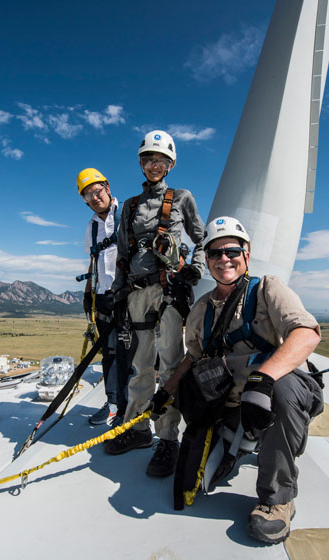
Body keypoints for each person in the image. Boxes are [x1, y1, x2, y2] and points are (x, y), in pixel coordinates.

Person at [153, 216, 323, 545]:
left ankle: (278, 500)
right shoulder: (201, 310)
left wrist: (264, 379)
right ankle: (227, 444)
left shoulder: (267, 289)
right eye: (214, 254)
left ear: (247, 254)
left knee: (282, 391)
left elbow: (306, 333)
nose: (223, 260)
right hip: (231, 401)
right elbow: (193, 359)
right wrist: (166, 393)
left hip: (272, 391)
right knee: (192, 474)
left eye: (232, 251)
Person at [104, 130, 206, 478]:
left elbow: (201, 237)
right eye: (149, 160)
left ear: (170, 165)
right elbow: (121, 253)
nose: (154, 165)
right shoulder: (130, 206)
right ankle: (137, 430)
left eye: (161, 161)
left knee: (171, 365)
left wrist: (196, 267)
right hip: (136, 295)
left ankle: (167, 439)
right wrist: (118, 292)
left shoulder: (182, 199)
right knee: (141, 366)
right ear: (141, 163)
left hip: (168, 293)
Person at [76, 167, 130, 426]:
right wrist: (88, 295)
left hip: (129, 296)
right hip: (104, 297)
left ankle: (131, 407)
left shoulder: (128, 215)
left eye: (97, 191)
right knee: (108, 353)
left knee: (130, 352)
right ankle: (113, 403)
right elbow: (93, 260)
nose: (95, 198)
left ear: (107, 188)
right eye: (88, 195)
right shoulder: (91, 227)